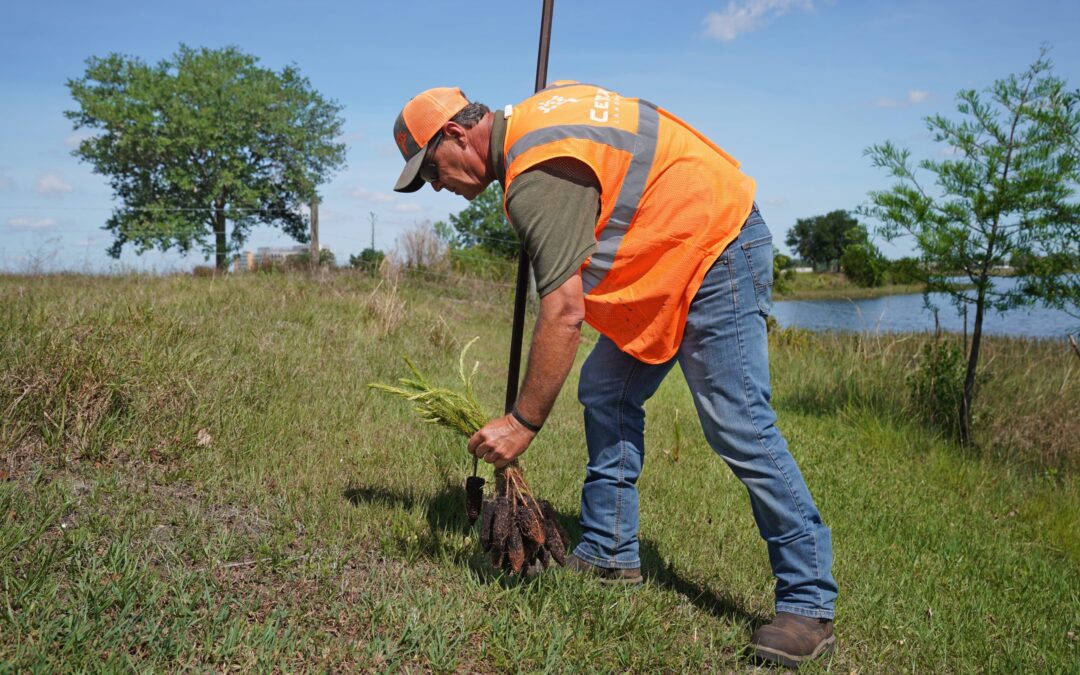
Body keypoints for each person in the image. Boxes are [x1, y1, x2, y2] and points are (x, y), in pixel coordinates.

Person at [392, 83, 838, 668]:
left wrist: (523, 423)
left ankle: (808, 603)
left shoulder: (536, 171)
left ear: (455, 135)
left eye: (431, 171)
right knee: (606, 389)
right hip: (669, 256)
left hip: (713, 246)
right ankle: (608, 551)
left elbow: (563, 312)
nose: (436, 187)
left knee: (740, 425)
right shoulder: (537, 126)